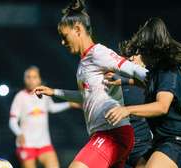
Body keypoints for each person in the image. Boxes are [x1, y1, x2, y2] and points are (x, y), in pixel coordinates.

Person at [34, 1, 148, 167]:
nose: (63, 43)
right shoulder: (83, 63)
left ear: (78, 29)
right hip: (105, 134)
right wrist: (54, 92)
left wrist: (161, 81)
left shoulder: (98, 52)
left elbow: (134, 70)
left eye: (64, 37)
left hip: (112, 134)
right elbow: (85, 97)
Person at [105, 17, 181, 168]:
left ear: (151, 47)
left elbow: (162, 106)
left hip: (178, 140)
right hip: (162, 141)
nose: (136, 56)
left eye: (141, 50)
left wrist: (126, 110)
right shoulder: (156, 72)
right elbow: (148, 83)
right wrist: (122, 81)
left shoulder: (167, 70)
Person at [9, 66, 79, 168]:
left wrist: (69, 104)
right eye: (28, 77)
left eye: (34, 77)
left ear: (39, 79)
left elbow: (52, 108)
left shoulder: (44, 95)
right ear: (24, 79)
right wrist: (19, 133)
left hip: (44, 144)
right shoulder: (20, 97)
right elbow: (12, 121)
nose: (31, 80)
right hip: (26, 144)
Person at [104, 55, 152, 168]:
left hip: (142, 146)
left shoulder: (153, 83)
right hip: (118, 146)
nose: (131, 58)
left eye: (135, 55)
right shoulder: (114, 80)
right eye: (128, 56)